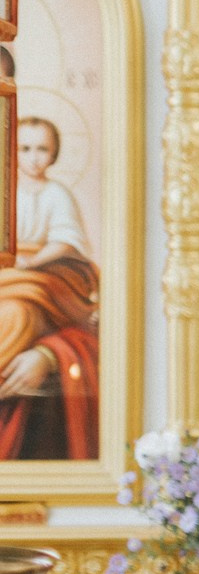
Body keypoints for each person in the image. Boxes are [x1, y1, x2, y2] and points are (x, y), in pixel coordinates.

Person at [0, 118, 98, 459]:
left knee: (17, 314)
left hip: (45, 275)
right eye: (25, 148)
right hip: (8, 270)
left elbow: (66, 241)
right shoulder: (5, 186)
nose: (33, 158)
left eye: (42, 149)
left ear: (54, 154)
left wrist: (31, 263)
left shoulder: (56, 194)